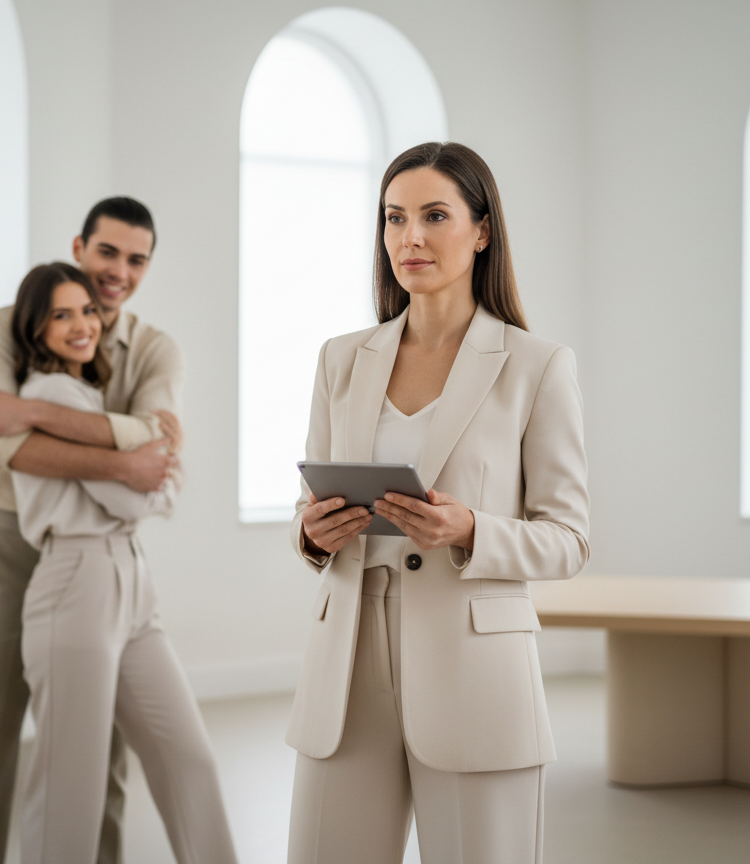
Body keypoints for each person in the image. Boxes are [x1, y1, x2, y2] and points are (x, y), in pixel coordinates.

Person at [285, 142, 590, 864]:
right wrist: (312, 531)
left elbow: (570, 537)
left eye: (433, 215)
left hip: (475, 672)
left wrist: (470, 528)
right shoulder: (341, 357)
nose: (408, 237)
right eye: (394, 218)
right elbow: (304, 509)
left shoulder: (536, 364)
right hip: (347, 669)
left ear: (481, 230)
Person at [0, 198, 182, 864]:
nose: (119, 272)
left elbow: (161, 446)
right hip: (11, 544)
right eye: (108, 253)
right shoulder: (4, 327)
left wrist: (30, 410)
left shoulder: (154, 349)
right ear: (80, 247)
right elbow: (4, 449)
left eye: (137, 260)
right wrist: (121, 461)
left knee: (100, 753)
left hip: (96, 559)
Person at [10, 262, 237, 864]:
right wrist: (150, 467)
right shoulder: (50, 394)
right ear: (35, 327)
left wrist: (150, 476)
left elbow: (150, 488)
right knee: (69, 792)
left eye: (86, 309)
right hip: (75, 584)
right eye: (61, 314)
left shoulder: (86, 397)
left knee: (187, 756)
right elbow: (132, 495)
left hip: (129, 582)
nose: (81, 324)